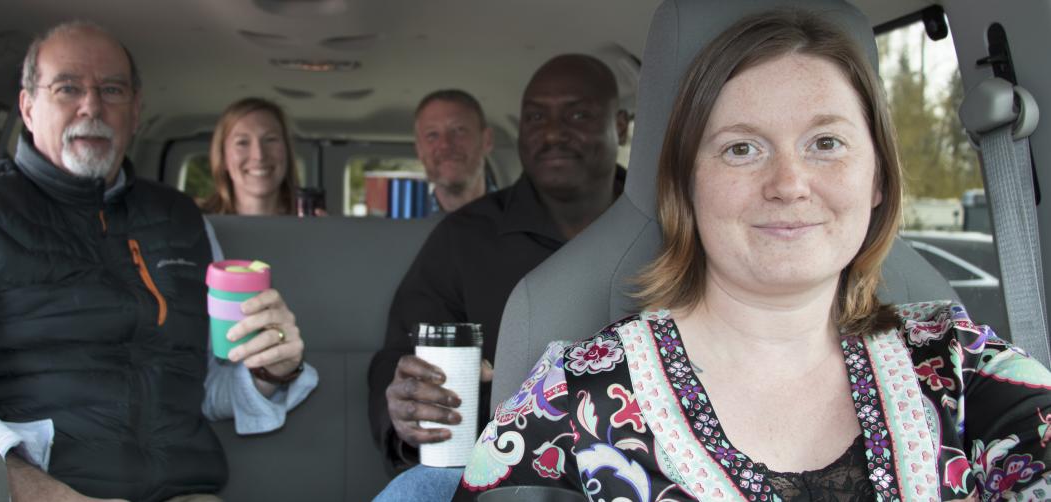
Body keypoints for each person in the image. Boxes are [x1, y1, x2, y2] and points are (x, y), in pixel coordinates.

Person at [456, 10, 1051, 501]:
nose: (789, 183)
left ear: (877, 178)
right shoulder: (573, 395)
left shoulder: (967, 368)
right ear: (686, 187)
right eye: (742, 148)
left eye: (826, 143)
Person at [0, 22, 317, 502]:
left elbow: (205, 388)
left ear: (136, 110)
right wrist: (45, 494)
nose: (92, 106)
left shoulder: (183, 220)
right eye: (67, 88)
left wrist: (269, 373)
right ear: (27, 106)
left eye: (112, 89)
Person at [368, 54, 630, 500]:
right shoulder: (463, 238)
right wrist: (408, 404)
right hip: (500, 478)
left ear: (621, 126)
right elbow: (402, 355)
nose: (552, 133)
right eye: (535, 117)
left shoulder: (673, 228)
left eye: (579, 114)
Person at [202, 97, 309, 216]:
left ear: (287, 151)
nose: (259, 155)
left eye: (270, 140)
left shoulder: (311, 224)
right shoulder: (194, 223)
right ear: (223, 158)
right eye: (242, 142)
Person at [413, 90, 499, 213]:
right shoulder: (404, 227)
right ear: (419, 150)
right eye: (432, 135)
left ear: (487, 140)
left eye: (459, 130)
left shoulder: (521, 217)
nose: (445, 144)